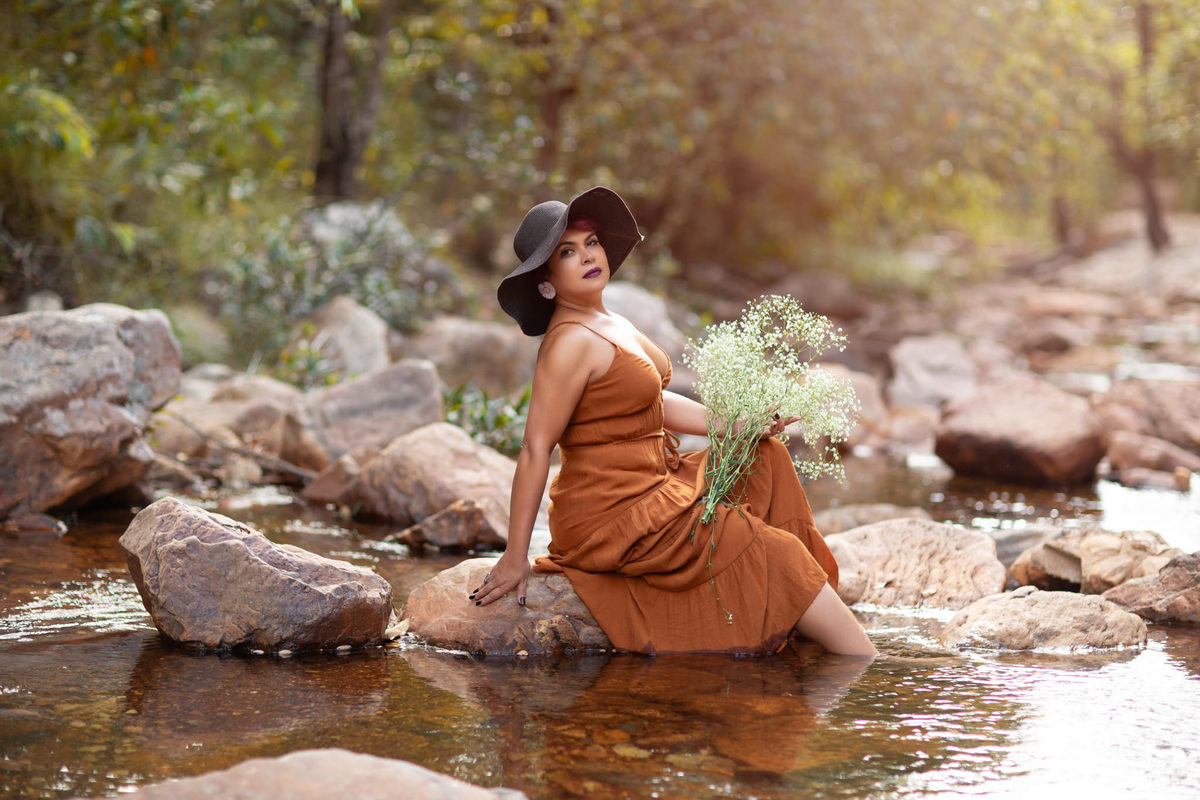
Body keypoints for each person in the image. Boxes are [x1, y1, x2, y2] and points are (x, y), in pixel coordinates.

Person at [471, 186, 876, 658]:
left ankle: (790, 613)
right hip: (612, 511)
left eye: (592, 243)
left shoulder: (610, 321)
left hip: (654, 481)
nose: (587, 256)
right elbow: (534, 448)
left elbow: (651, 399)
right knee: (774, 552)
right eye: (567, 252)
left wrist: (740, 423)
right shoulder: (569, 343)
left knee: (763, 458)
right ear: (546, 279)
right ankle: (860, 665)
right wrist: (515, 556)